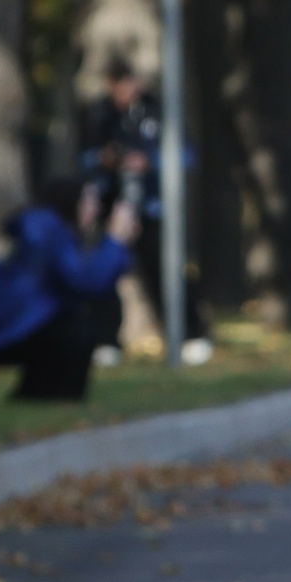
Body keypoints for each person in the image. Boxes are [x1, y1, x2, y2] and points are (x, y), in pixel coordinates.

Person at [0, 179, 141, 400]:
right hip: (4, 331)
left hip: (15, 326)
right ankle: (49, 394)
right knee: (77, 327)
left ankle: (46, 394)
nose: (96, 208)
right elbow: (87, 283)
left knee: (78, 322)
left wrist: (116, 245)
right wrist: (115, 240)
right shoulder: (46, 229)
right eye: (89, 200)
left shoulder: (49, 228)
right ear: (71, 199)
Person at [77, 61, 209, 364]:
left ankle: (190, 334)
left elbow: (186, 154)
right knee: (103, 274)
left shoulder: (158, 111)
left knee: (165, 269)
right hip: (113, 208)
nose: (122, 92)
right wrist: (104, 160)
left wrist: (149, 161)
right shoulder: (99, 115)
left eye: (127, 83)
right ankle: (106, 341)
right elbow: (84, 158)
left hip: (151, 207)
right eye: (116, 84)